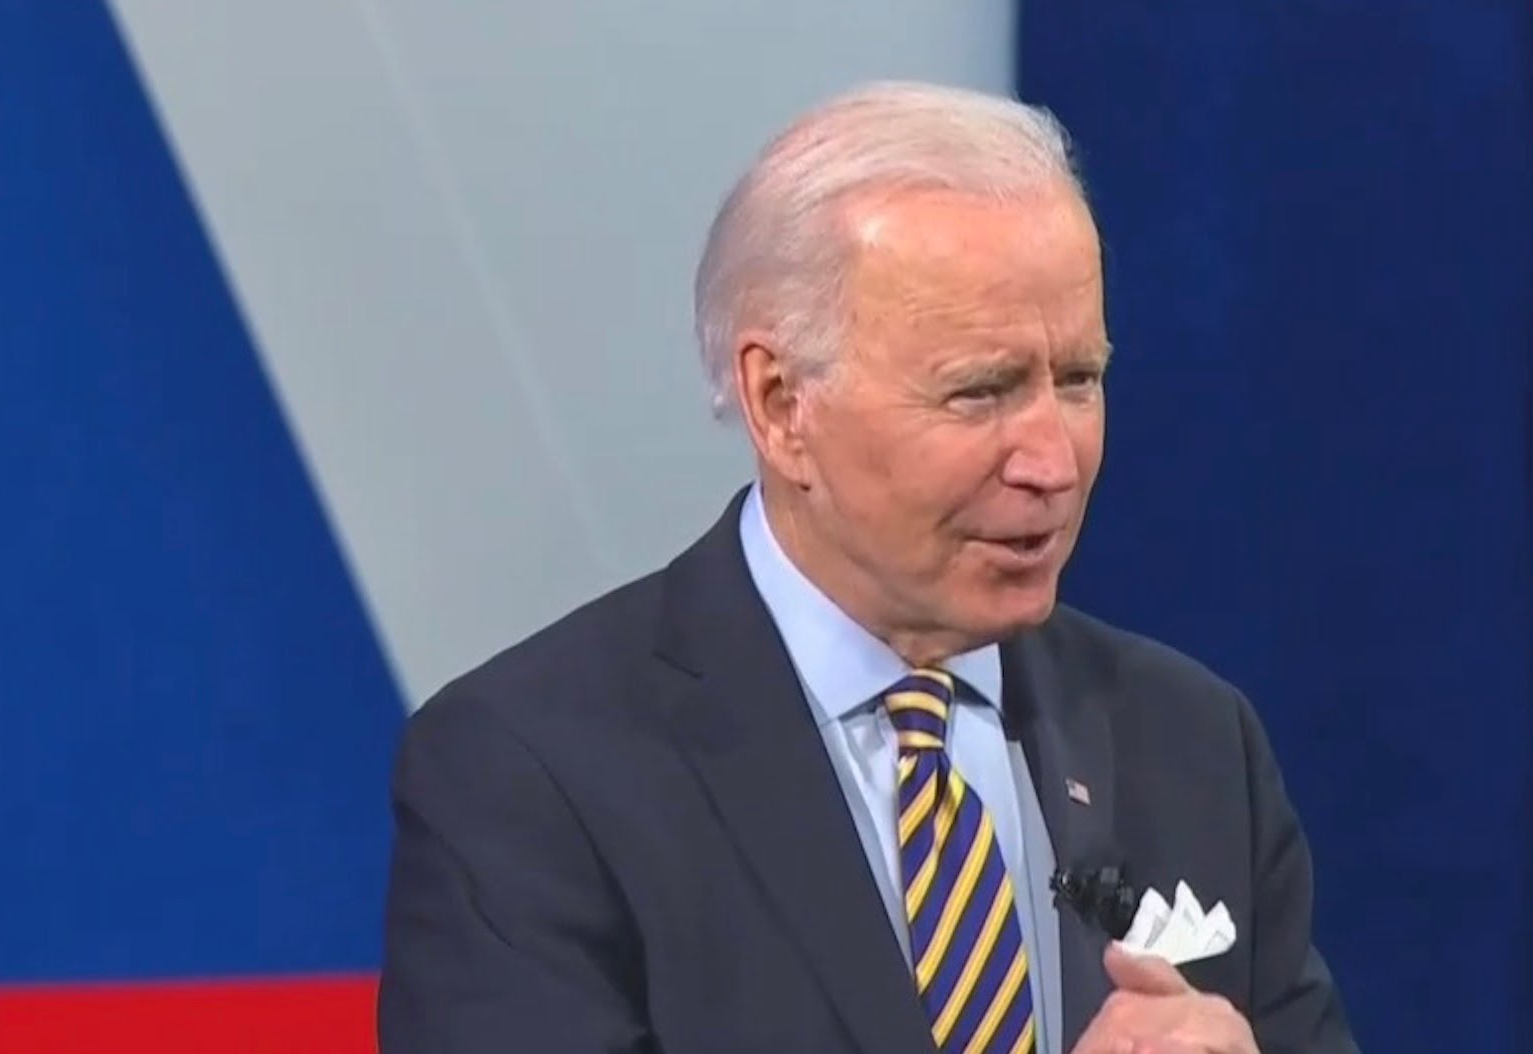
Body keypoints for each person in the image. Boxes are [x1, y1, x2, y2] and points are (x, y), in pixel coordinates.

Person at [376, 80, 1357, 1054]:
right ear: (780, 405)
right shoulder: (533, 775)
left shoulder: (1190, 742)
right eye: (980, 392)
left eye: (1078, 380)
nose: (1053, 463)